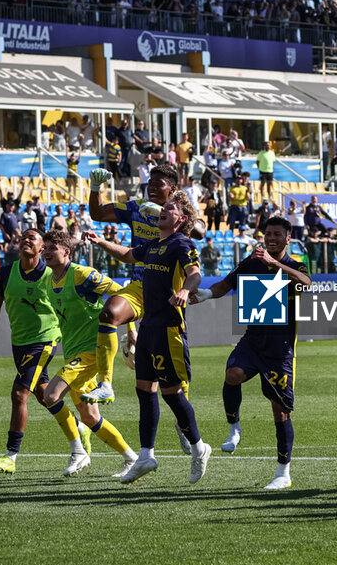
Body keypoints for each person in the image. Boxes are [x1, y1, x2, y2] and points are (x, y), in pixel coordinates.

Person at [86, 192, 212, 485]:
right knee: (144, 391)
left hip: (169, 329)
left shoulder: (182, 243)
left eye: (171, 208)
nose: (164, 210)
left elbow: (195, 274)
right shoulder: (153, 245)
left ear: (181, 220)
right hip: (148, 328)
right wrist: (101, 242)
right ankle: (146, 456)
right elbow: (129, 255)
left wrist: (185, 290)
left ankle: (198, 447)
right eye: (164, 207)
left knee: (171, 393)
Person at [192, 216, 311, 489]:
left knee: (280, 411)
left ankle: (283, 472)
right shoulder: (251, 261)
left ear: (287, 238)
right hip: (252, 340)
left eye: (277, 234)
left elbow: (306, 283)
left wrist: (276, 265)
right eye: (268, 233)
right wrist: (206, 295)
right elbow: (226, 284)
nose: (271, 238)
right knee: (232, 374)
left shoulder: (294, 265)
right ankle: (234, 428)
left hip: (280, 349)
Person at [81, 164, 199, 415]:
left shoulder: (178, 213)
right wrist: (94, 188)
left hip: (168, 292)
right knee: (109, 313)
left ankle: (184, 419)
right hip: (139, 285)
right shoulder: (136, 208)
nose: (153, 188)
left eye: (160, 185)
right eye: (150, 184)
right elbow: (98, 214)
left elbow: (198, 230)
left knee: (172, 378)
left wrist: (161, 212)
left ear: (173, 189)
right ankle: (105, 384)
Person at [0, 228, 89, 475]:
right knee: (44, 395)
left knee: (19, 394)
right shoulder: (7, 273)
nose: (26, 239)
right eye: (24, 236)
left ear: (43, 248)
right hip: (19, 342)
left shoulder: (52, 274)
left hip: (44, 341)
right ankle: (78, 430)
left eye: (33, 237)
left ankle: (11, 455)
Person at [39, 230, 139, 478]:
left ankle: (78, 447)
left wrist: (131, 329)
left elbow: (123, 295)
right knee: (90, 416)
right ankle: (131, 458)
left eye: (53, 247)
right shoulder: (49, 280)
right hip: (73, 352)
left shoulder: (83, 275)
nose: (47, 252)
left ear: (67, 252)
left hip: (93, 350)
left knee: (50, 396)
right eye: (46, 248)